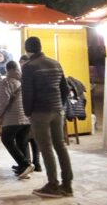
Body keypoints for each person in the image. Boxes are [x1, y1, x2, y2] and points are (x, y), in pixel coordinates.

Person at [22, 36, 74, 198]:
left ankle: (53, 184)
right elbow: (64, 89)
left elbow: (28, 92)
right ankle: (67, 185)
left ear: (27, 49)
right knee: (60, 146)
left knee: (46, 148)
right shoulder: (55, 63)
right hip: (57, 110)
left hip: (40, 112)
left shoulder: (29, 67)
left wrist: (28, 112)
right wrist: (59, 104)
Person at [0, 60, 35, 179]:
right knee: (21, 142)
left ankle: (25, 164)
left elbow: (3, 101)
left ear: (7, 70)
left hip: (13, 117)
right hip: (26, 117)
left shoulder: (6, 82)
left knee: (6, 139)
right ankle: (24, 169)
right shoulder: (24, 81)